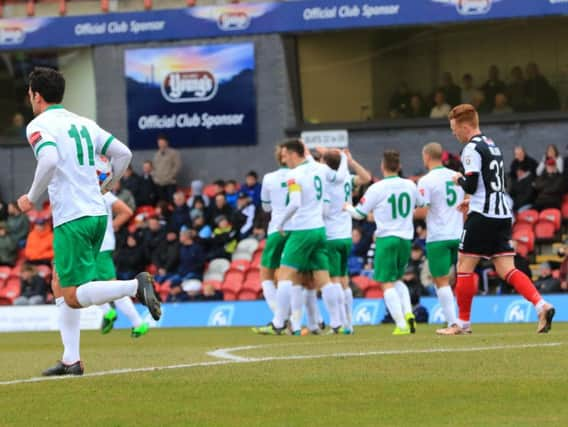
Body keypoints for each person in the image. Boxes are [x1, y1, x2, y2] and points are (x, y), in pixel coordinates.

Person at [17, 67, 160, 376]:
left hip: (73, 217)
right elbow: (123, 154)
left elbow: (50, 159)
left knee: (71, 294)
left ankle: (136, 285)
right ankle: (71, 360)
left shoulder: (38, 125)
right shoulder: (84, 123)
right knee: (59, 283)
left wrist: (31, 196)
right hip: (96, 214)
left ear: (36, 95)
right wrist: (107, 184)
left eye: (29, 93)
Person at [443, 103, 554, 335]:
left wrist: (458, 179)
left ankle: (462, 323)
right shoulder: (492, 145)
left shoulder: (471, 149)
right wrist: (470, 200)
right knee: (506, 268)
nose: (454, 134)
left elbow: (472, 184)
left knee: (464, 264)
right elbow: (491, 182)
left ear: (465, 126)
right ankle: (541, 305)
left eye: (455, 129)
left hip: (483, 215)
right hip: (502, 214)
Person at [256, 139, 343, 335]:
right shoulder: (319, 168)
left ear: (294, 154)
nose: (283, 157)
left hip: (302, 230)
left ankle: (279, 323)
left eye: (285, 153)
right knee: (323, 277)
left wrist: (280, 222)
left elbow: (294, 203)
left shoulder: (294, 175)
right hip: (320, 229)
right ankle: (337, 323)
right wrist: (343, 157)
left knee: (285, 275)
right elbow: (338, 177)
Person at [345, 150, 420, 335]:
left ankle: (401, 324)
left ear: (382, 166)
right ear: (399, 166)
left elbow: (359, 214)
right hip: (405, 238)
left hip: (386, 238)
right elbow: (420, 203)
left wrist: (346, 206)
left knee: (385, 283)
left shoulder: (376, 188)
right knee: (397, 279)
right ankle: (409, 313)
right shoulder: (410, 184)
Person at [321, 148, 371, 334]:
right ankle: (348, 324)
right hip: (346, 236)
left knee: (334, 280)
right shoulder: (346, 180)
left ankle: (338, 324)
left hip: (331, 236)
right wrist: (350, 160)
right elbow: (366, 178)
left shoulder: (326, 180)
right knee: (344, 279)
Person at [416, 142, 464, 334]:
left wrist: (401, 215)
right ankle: (464, 321)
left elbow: (422, 210)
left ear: (426, 156)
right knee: (462, 278)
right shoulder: (456, 176)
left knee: (441, 280)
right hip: (459, 233)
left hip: (439, 237)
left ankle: (453, 323)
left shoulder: (426, 180)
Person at [96, 187, 149, 338]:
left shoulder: (99, 192)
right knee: (86, 282)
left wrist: (109, 228)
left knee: (110, 285)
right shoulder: (96, 191)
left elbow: (126, 211)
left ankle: (137, 323)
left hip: (99, 246)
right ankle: (109, 312)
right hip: (94, 246)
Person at [257, 144, 291, 315]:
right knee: (297, 276)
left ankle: (280, 317)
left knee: (266, 274)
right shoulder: (303, 175)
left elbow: (266, 207)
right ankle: (307, 320)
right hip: (302, 229)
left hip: (278, 229)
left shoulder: (269, 178)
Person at [152, 135, 181, 202]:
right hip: (159, 184)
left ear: (166, 143)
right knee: (162, 202)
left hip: (170, 183)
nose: (161, 144)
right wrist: (155, 178)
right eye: (159, 143)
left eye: (162, 142)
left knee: (171, 201)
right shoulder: (156, 154)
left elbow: (177, 166)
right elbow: (153, 168)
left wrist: (170, 177)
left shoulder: (173, 153)